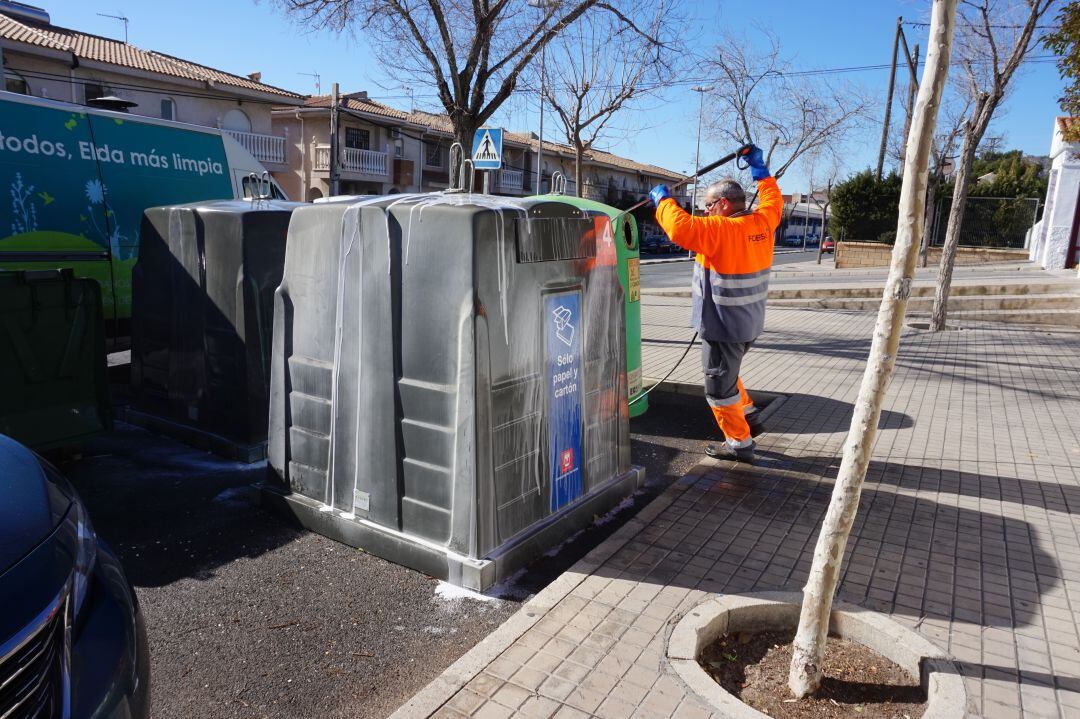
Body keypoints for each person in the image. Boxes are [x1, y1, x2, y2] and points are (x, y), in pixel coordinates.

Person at [648, 145, 781, 463]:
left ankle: (739, 443)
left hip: (722, 326)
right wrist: (760, 171)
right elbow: (773, 198)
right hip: (747, 325)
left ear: (723, 204)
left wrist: (663, 201)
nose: (705, 212)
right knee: (729, 374)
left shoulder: (722, 230)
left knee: (719, 387)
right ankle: (748, 415)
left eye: (708, 206)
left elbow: (680, 227)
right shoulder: (764, 222)